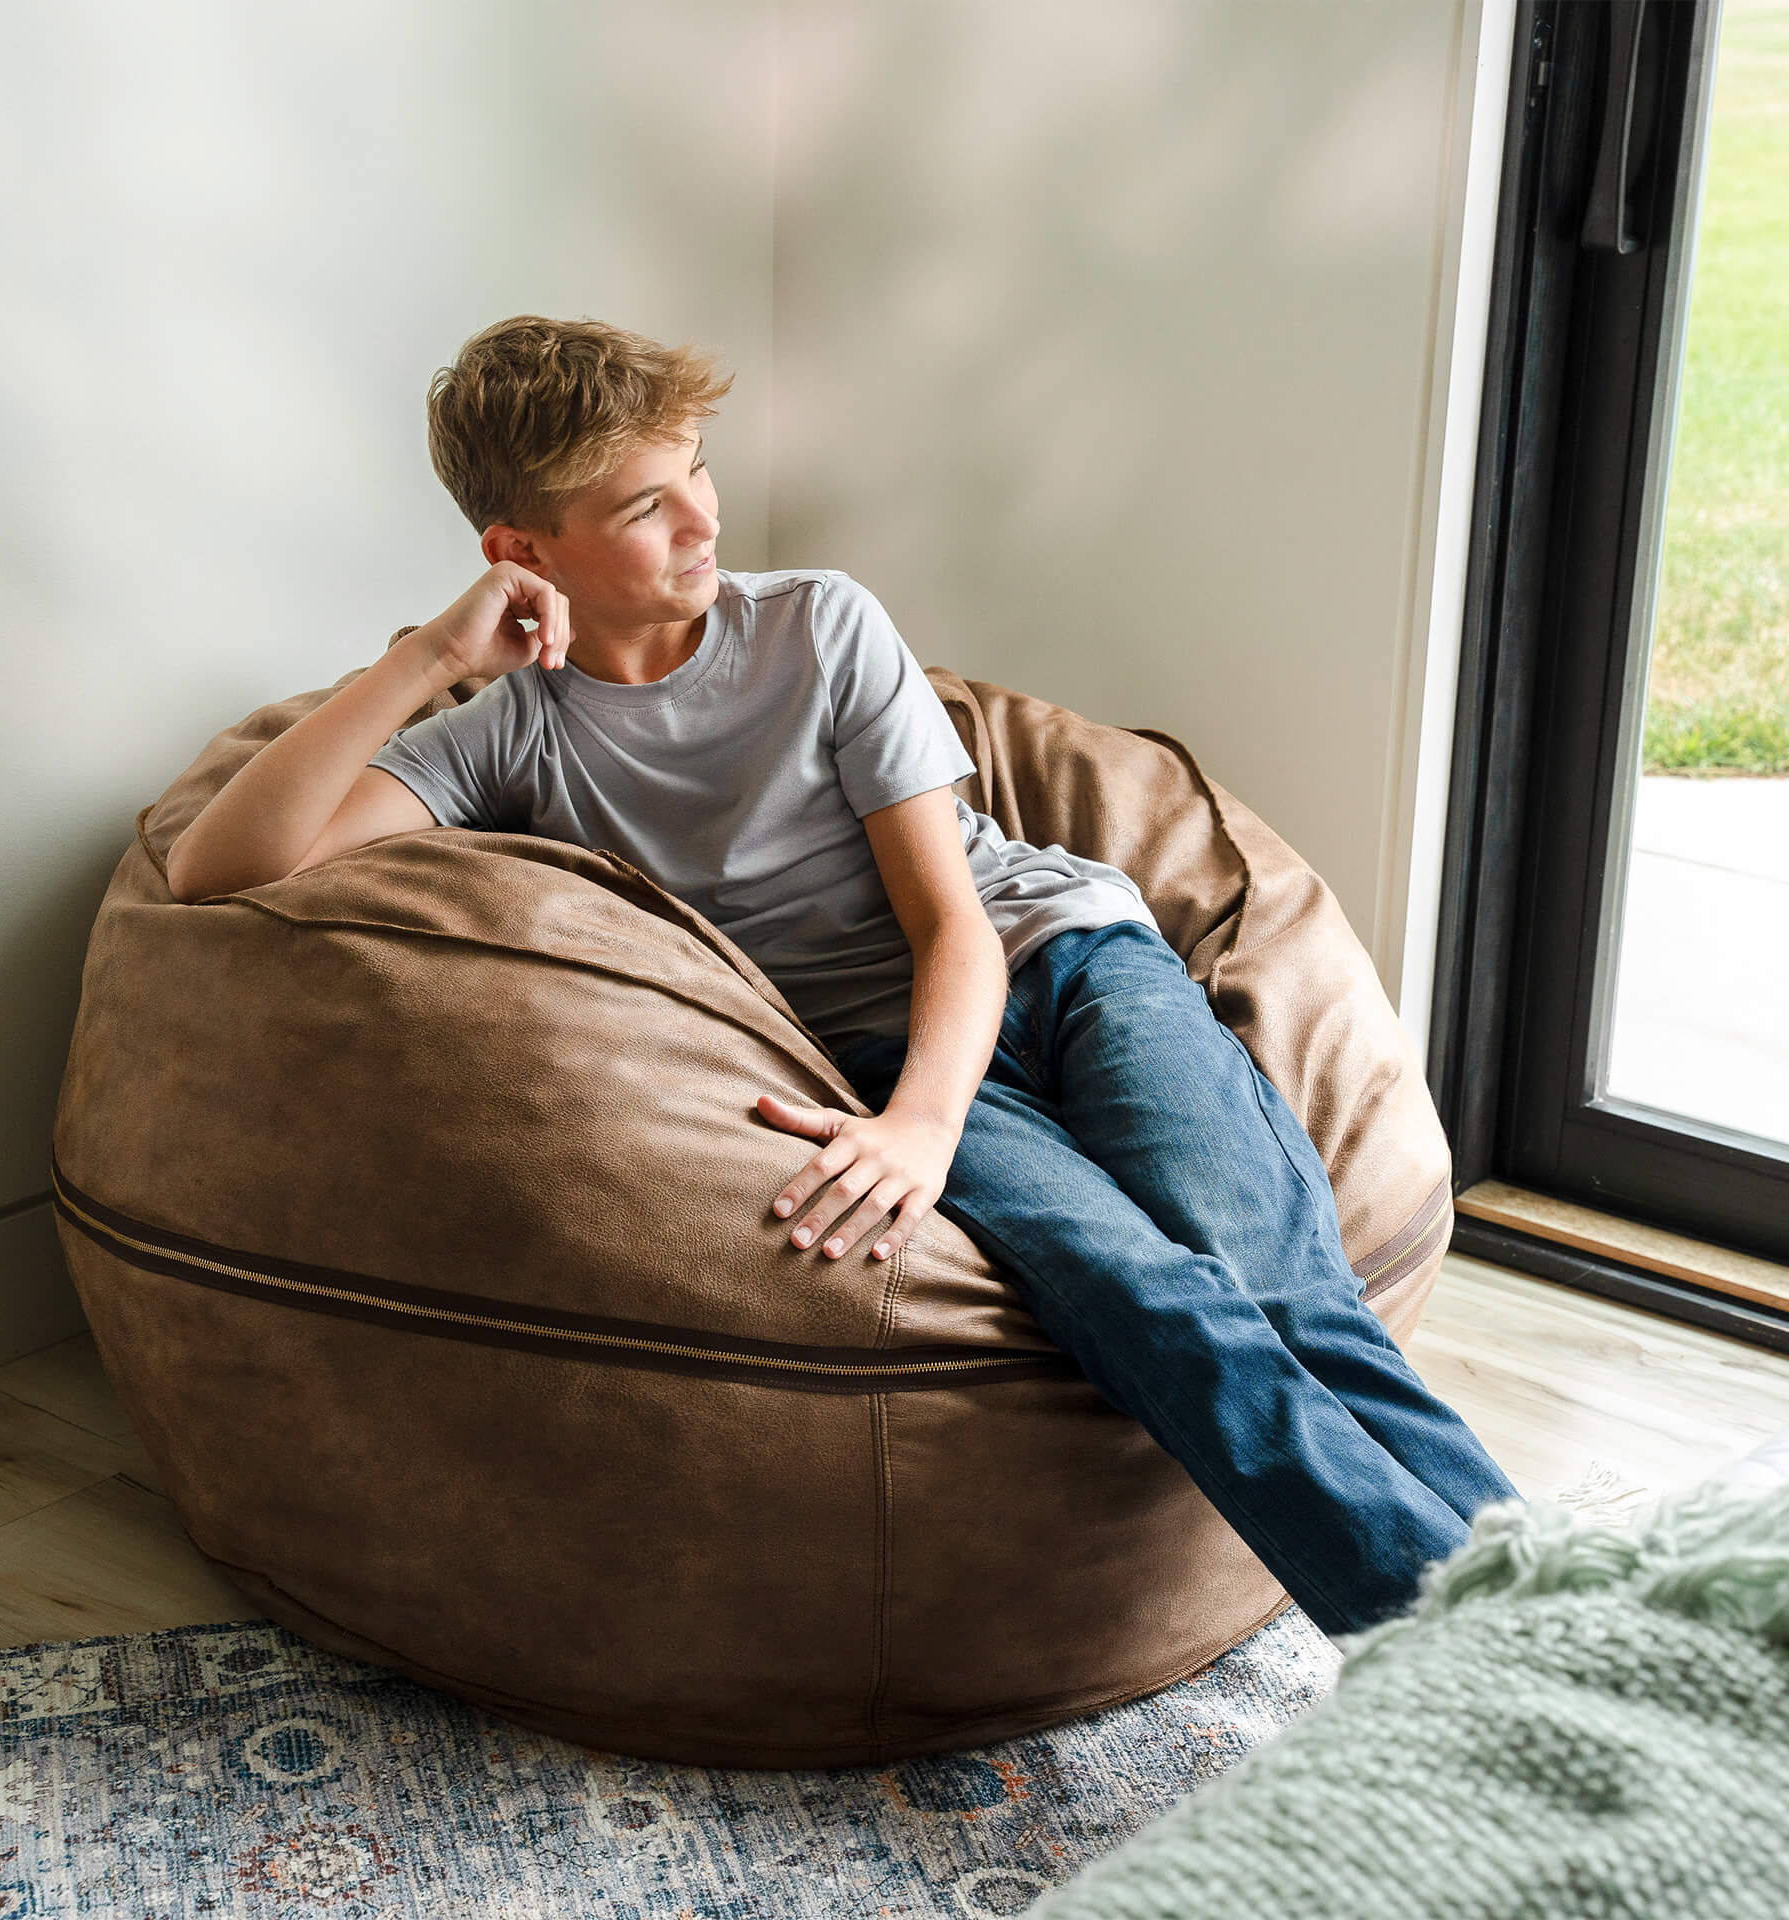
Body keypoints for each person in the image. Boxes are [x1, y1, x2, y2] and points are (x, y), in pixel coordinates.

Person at [166, 314, 1519, 1638]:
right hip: (874, 1053)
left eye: (697, 470)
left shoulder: (816, 626)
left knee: (1282, 1285)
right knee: (1154, 1302)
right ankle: (1483, 1655)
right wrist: (431, 657)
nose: (702, 519)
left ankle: (1550, 1621)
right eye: (645, 506)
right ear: (523, 552)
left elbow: (952, 923)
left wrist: (922, 1127)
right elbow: (215, 866)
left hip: (1062, 963)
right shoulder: (510, 736)